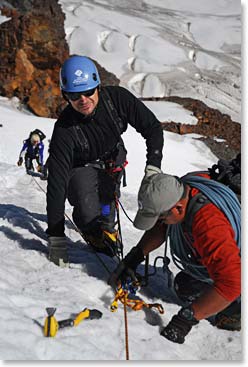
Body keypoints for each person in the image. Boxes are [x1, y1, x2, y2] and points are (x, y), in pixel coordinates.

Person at [46, 55, 164, 267]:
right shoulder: (64, 130)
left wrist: (153, 166)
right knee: (89, 210)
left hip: (112, 159)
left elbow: (152, 128)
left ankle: (106, 228)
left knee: (107, 205)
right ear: (66, 96)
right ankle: (88, 227)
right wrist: (56, 236)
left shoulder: (117, 100)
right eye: (74, 95)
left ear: (98, 86)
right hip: (80, 166)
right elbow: (56, 183)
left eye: (88, 91)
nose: (83, 99)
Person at [108, 172, 241, 344]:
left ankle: (236, 310)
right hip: (225, 255)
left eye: (161, 217)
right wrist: (134, 258)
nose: (160, 222)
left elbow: (231, 283)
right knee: (185, 286)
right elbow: (161, 228)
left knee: (216, 290)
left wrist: (185, 320)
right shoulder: (182, 189)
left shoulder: (209, 225)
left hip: (237, 271)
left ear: (178, 208)